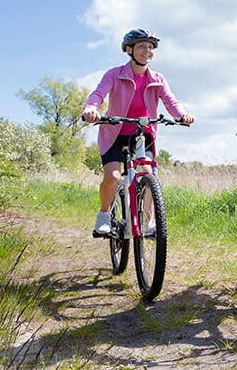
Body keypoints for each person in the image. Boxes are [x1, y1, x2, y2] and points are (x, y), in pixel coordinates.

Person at [82, 29, 195, 236]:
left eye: (151, 47)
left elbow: (170, 100)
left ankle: (150, 222)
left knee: (147, 174)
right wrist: (91, 109)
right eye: (142, 46)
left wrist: (182, 115)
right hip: (115, 133)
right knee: (113, 176)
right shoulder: (114, 74)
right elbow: (98, 94)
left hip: (142, 133)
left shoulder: (158, 78)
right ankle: (104, 216)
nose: (147, 51)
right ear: (129, 49)